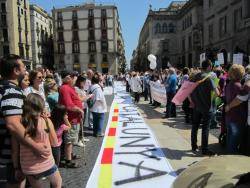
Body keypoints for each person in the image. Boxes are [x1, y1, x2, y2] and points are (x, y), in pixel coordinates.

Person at [0, 54, 50, 188]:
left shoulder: (3, 88)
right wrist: (36, 146)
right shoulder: (12, 91)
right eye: (24, 67)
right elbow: (13, 124)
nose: (26, 71)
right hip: (10, 154)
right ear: (16, 71)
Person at [20, 93, 61, 188]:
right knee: (57, 182)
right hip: (46, 163)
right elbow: (55, 143)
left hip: (28, 166)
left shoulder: (20, 123)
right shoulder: (45, 121)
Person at [190, 60, 219, 155]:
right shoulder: (208, 78)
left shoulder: (194, 77)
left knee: (195, 126)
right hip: (206, 107)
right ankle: (205, 149)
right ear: (209, 67)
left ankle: (194, 146)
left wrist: (192, 101)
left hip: (197, 106)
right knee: (205, 128)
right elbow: (217, 93)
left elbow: (188, 91)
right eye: (211, 66)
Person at [59, 70, 83, 168]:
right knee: (69, 140)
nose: (75, 79)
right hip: (70, 119)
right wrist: (79, 109)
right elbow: (68, 105)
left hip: (74, 118)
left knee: (72, 139)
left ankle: (69, 155)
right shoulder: (65, 88)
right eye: (73, 77)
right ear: (68, 78)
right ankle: (68, 160)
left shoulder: (69, 88)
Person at [224, 64, 247, 153]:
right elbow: (240, 100)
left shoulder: (229, 84)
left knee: (230, 140)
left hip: (229, 116)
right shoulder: (238, 86)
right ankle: (231, 161)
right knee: (233, 143)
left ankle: (228, 158)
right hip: (237, 117)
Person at [75, 76, 92, 146]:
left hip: (84, 107)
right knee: (80, 123)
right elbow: (80, 99)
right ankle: (78, 140)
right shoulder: (76, 89)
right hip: (80, 107)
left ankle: (81, 137)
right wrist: (88, 97)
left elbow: (83, 96)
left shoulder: (81, 88)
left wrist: (87, 96)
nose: (85, 84)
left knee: (83, 123)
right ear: (80, 82)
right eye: (84, 82)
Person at [89, 72, 107, 137]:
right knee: (100, 120)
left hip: (93, 107)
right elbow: (100, 98)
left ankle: (94, 132)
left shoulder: (91, 87)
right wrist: (104, 104)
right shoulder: (98, 88)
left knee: (95, 120)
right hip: (99, 107)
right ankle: (99, 132)